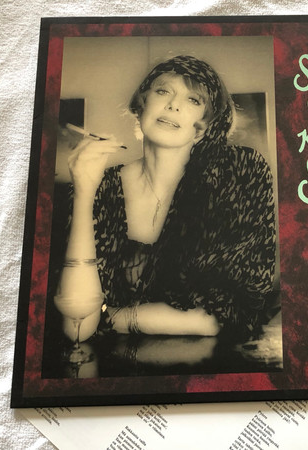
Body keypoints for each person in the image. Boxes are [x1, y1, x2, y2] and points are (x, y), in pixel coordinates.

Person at [55, 55, 277, 345]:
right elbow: (78, 326)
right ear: (141, 105)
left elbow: (235, 311)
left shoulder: (239, 173)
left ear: (204, 127)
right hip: (110, 368)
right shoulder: (103, 186)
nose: (173, 105)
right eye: (163, 91)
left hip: (216, 366)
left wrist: (119, 318)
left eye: (193, 100)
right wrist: (84, 193)